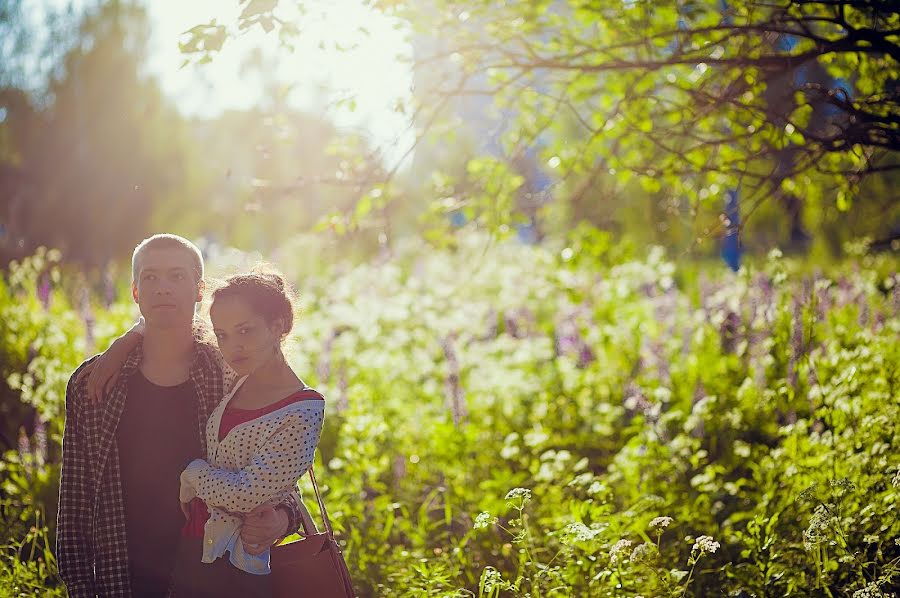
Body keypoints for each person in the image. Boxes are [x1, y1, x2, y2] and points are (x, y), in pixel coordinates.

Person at [57, 234, 309, 597]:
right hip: (121, 571)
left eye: (177, 276)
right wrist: (79, 585)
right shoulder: (93, 383)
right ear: (135, 292)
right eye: (151, 278)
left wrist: (284, 518)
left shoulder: (229, 375)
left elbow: (277, 472)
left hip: (211, 568)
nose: (163, 288)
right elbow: (75, 498)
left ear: (199, 290)